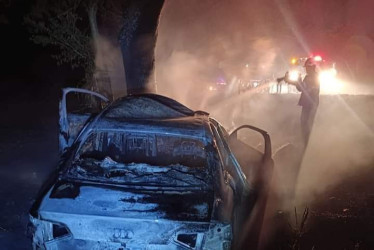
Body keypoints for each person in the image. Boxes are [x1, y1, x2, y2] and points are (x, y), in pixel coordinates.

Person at [285, 57, 320, 145]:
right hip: (307, 104)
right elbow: (300, 88)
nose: (306, 70)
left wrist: (298, 80)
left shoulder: (314, 78)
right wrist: (290, 81)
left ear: (312, 67)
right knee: (304, 124)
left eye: (307, 68)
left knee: (307, 125)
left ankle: (306, 144)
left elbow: (304, 88)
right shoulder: (309, 77)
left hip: (310, 105)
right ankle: (304, 142)